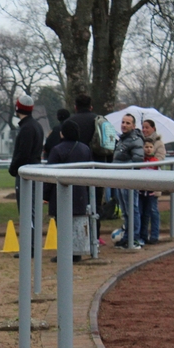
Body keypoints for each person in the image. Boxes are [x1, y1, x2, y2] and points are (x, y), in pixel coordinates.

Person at [44, 119, 92, 263]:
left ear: (62, 133)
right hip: (81, 192)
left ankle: (65, 253)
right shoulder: (85, 149)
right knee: (77, 223)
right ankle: (76, 252)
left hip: (61, 193)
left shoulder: (57, 150)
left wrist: (45, 194)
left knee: (62, 225)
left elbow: (50, 175)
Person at [67, 94, 109, 242]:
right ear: (91, 106)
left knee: (78, 204)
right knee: (96, 204)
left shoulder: (70, 122)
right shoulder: (100, 121)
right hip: (98, 167)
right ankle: (95, 237)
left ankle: (79, 238)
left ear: (75, 107)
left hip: (76, 168)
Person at [8, 93, 43, 253]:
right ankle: (32, 244)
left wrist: (13, 168)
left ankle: (30, 246)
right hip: (35, 171)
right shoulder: (36, 126)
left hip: (26, 175)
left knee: (27, 210)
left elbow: (23, 153)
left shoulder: (26, 128)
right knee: (32, 209)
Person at [113, 113, 144, 249]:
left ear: (133, 125)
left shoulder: (135, 140)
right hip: (120, 178)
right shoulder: (122, 139)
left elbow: (138, 160)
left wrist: (124, 167)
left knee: (132, 209)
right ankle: (127, 236)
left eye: (127, 123)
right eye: (123, 122)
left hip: (129, 179)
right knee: (125, 211)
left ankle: (134, 238)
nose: (124, 125)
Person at [139, 138, 161, 245]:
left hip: (151, 192)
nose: (148, 149)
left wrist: (156, 189)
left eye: (150, 147)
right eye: (146, 147)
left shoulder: (155, 162)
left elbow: (159, 176)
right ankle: (143, 235)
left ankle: (154, 236)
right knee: (142, 214)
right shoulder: (140, 161)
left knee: (152, 212)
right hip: (141, 192)